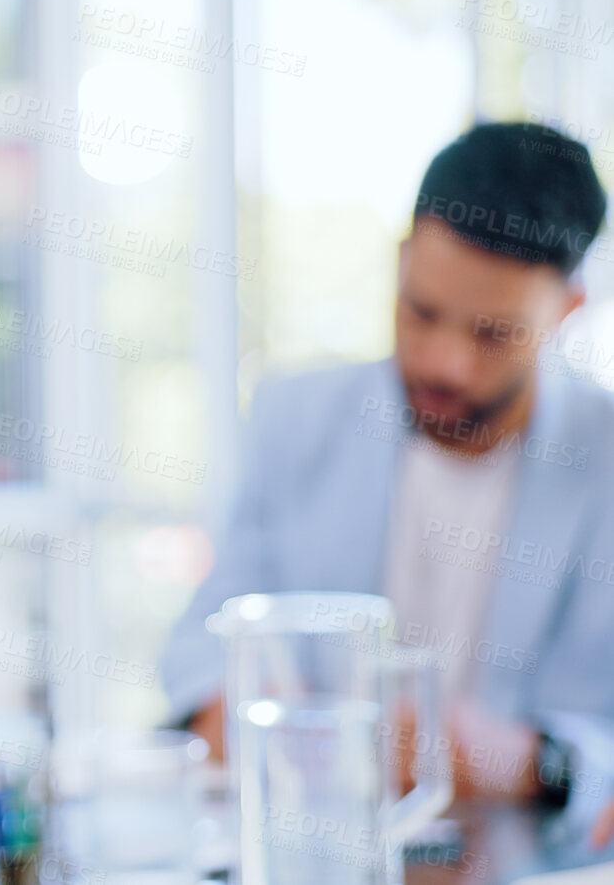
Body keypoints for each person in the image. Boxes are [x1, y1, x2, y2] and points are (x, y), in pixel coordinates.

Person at [162, 122, 614, 831]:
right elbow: (197, 645)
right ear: (401, 262)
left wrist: (533, 760)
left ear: (565, 311)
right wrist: (239, 707)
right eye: (420, 311)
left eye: (492, 334)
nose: (445, 364)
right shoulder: (296, 415)